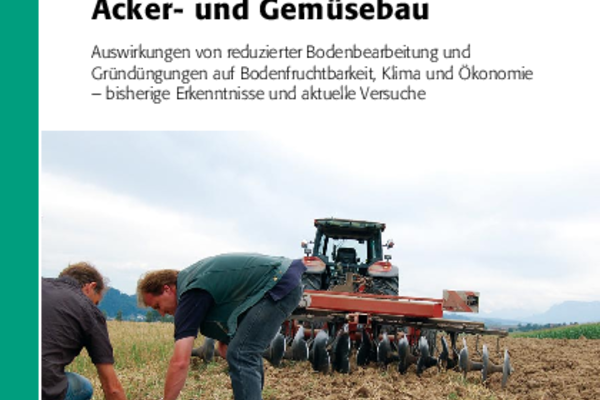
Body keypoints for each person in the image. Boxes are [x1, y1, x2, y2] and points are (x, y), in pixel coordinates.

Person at [137, 252, 306, 400]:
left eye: (157, 306)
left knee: (241, 353)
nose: (161, 313)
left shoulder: (190, 294)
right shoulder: (192, 283)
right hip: (280, 280)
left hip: (279, 283)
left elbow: (180, 361)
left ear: (167, 289)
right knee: (241, 352)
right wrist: (226, 340)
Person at [40, 262, 128, 400]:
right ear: (91, 287)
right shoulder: (87, 309)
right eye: (96, 302)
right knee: (84, 387)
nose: (94, 306)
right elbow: (112, 388)